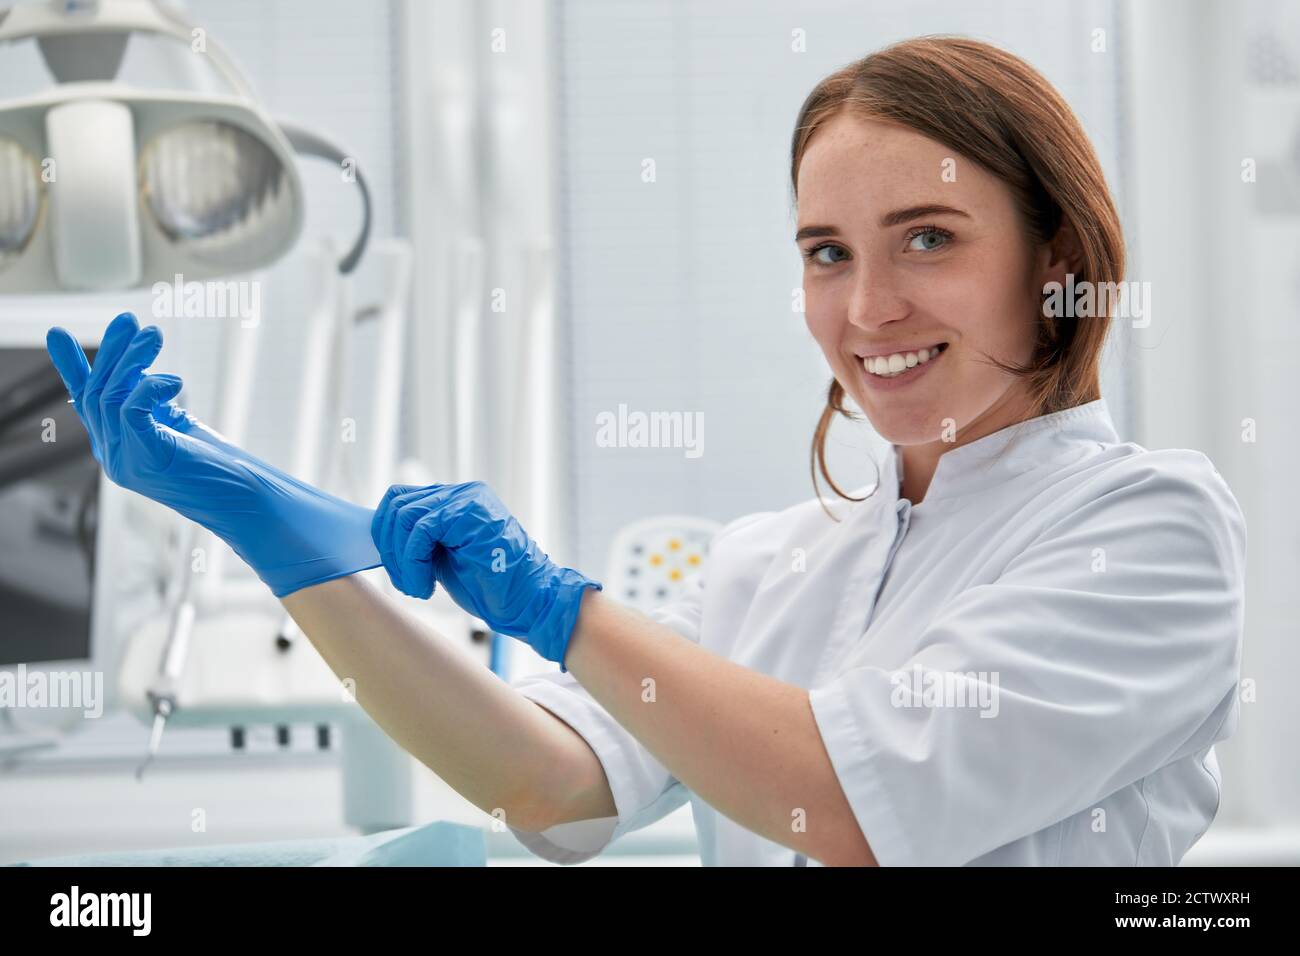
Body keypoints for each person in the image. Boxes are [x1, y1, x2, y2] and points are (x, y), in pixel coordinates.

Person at [47, 36, 1246, 866]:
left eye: (926, 238)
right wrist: (264, 532)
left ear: (1054, 259)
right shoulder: (773, 561)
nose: (867, 306)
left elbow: (847, 802)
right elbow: (548, 780)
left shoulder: (1143, 530)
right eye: (826, 251)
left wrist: (561, 605)